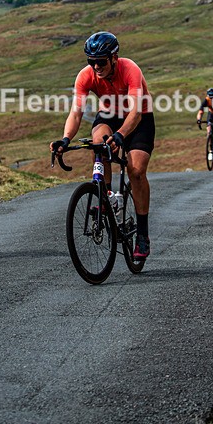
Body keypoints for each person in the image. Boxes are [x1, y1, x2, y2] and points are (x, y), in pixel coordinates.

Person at [50, 31, 155, 259]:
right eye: (91, 61)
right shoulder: (85, 76)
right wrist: (66, 138)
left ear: (114, 58)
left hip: (139, 119)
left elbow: (136, 113)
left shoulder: (130, 70)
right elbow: (76, 113)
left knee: (136, 171)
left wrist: (120, 135)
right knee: (98, 142)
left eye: (100, 61)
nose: (95, 66)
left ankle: (143, 235)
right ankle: (107, 198)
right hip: (109, 114)